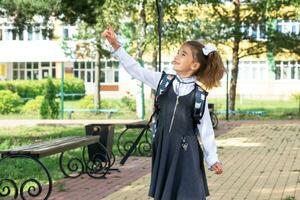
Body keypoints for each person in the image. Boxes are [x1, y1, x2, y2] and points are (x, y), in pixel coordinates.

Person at [102, 26, 224, 200]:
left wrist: (213, 160)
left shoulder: (199, 96)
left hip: (186, 152)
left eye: (183, 54)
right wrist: (116, 45)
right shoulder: (163, 81)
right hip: (164, 148)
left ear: (194, 65)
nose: (176, 56)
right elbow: (135, 69)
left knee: (188, 194)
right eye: (177, 52)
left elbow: (206, 131)